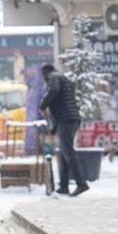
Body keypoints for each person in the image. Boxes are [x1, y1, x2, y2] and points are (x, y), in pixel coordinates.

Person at [40, 65, 89, 197]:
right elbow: (61, 102)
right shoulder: (63, 78)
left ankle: (81, 183)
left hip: (67, 120)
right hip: (70, 119)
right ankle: (64, 186)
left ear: (46, 73)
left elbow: (54, 91)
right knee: (63, 152)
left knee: (67, 151)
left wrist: (43, 103)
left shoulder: (53, 77)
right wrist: (54, 127)